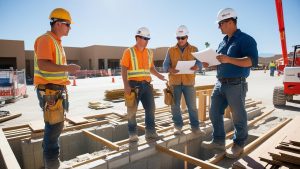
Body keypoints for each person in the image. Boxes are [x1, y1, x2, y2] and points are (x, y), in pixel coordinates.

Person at [201, 8, 258, 159]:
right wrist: (211, 64)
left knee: (238, 116)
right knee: (213, 112)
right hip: (220, 83)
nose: (218, 27)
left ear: (231, 21)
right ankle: (218, 140)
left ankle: (239, 144)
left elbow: (251, 61)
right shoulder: (223, 42)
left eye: (220, 23)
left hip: (235, 84)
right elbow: (221, 62)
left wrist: (229, 59)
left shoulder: (246, 40)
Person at [34, 8, 81, 168]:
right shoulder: (46, 39)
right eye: (68, 25)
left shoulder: (57, 42)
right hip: (49, 91)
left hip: (55, 91)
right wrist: (68, 68)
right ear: (59, 24)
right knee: (54, 129)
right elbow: (43, 64)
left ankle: (50, 163)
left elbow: (54, 67)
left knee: (54, 127)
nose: (70, 28)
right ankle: (52, 164)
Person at [121, 27, 165, 142]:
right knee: (132, 110)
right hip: (133, 85)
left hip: (147, 85)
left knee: (151, 109)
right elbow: (124, 68)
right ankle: (132, 134)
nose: (146, 41)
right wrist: (126, 85)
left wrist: (159, 75)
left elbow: (151, 68)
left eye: (147, 38)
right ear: (137, 38)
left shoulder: (149, 52)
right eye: (144, 38)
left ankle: (150, 132)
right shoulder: (129, 51)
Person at [163, 25, 205, 135]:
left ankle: (195, 127)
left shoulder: (194, 49)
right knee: (175, 106)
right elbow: (165, 65)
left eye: (182, 38)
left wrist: (198, 66)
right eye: (178, 38)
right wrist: (170, 69)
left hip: (189, 82)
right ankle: (178, 126)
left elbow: (200, 62)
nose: (180, 40)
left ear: (187, 37)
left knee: (192, 107)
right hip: (174, 83)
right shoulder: (171, 50)